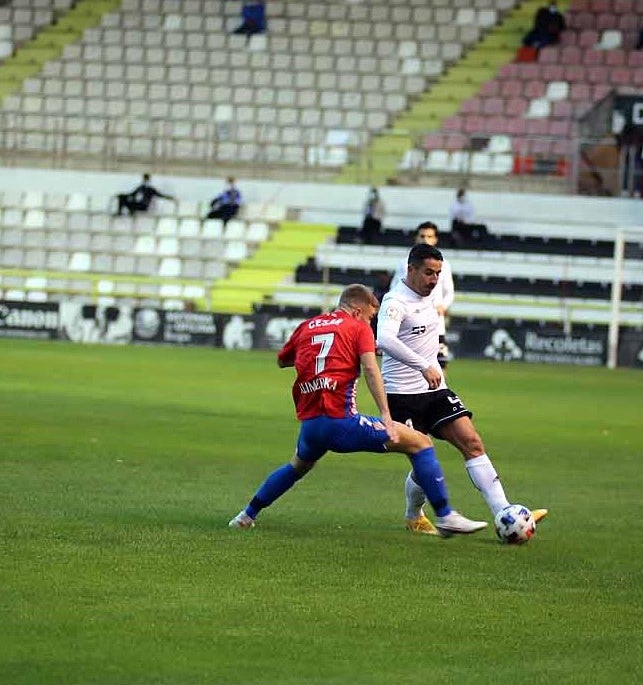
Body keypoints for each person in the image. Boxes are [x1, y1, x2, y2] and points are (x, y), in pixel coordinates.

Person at [228, 283, 488, 537]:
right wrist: (386, 415)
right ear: (356, 311)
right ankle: (445, 516)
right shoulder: (356, 327)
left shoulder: (307, 326)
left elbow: (282, 360)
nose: (370, 324)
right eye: (370, 317)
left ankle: (246, 515)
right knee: (420, 443)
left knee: (297, 466)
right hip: (341, 422)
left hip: (311, 423)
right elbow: (372, 370)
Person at [376, 244, 548, 535]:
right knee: (422, 464)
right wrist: (423, 365)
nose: (434, 280)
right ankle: (413, 514)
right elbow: (385, 340)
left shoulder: (430, 298)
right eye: (428, 273)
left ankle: (504, 513)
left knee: (472, 442)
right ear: (411, 269)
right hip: (402, 395)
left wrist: (435, 365)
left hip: (435, 390)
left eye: (438, 274)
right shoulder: (395, 301)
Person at [390, 221, 455, 370]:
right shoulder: (404, 263)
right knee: (409, 365)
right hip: (412, 322)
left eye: (429, 236)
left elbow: (449, 292)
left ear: (435, 239)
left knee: (440, 366)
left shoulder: (444, 264)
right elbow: (394, 288)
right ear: (416, 238)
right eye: (422, 236)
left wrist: (443, 306)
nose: (426, 239)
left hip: (436, 324)